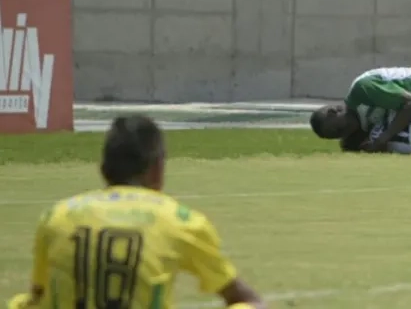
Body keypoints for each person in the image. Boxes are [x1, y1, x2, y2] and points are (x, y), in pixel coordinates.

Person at [6, 115, 265, 309]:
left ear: (103, 167)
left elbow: (38, 296)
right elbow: (240, 297)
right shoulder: (181, 222)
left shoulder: (57, 217)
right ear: (157, 168)